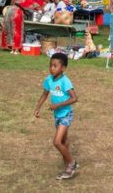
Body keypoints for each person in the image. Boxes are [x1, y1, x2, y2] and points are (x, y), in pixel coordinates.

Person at [34, 52, 79, 180]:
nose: (51, 68)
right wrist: (37, 108)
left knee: (57, 142)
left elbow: (74, 98)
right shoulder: (49, 80)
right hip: (57, 116)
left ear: (63, 68)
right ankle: (68, 170)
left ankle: (72, 163)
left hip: (66, 114)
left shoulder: (65, 81)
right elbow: (44, 94)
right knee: (64, 142)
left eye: (55, 66)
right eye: (50, 65)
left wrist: (58, 105)